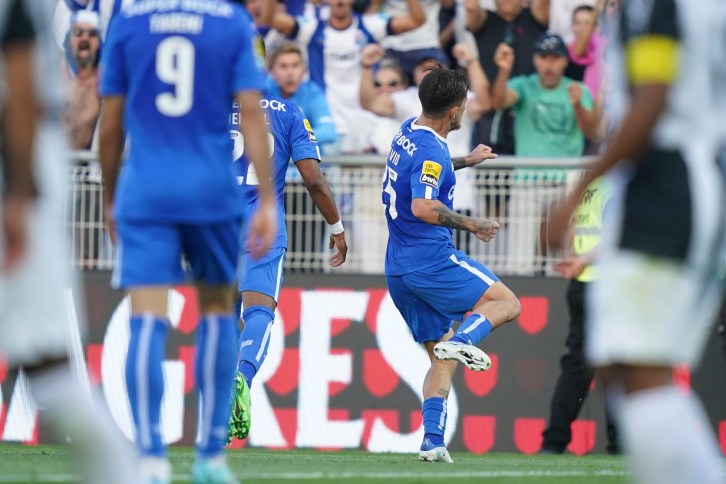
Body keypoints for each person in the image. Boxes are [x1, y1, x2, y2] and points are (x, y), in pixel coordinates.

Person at [547, 0, 726, 482]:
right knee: (622, 368)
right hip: (685, 183)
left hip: (670, 189)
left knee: (637, 372)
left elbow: (653, 98)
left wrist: (579, 190)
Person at [98, 1, 276, 482]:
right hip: (211, 190)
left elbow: (110, 122)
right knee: (217, 314)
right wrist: (266, 200)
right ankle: (211, 458)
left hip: (146, 190)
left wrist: (111, 195)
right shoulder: (231, 22)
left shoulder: (129, 21)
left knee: (147, 319)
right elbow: (252, 112)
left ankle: (151, 459)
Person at [0, 1, 136, 483]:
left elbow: (20, 83)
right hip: (27, 174)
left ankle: (124, 475)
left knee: (47, 366)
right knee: (47, 369)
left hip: (20, 177)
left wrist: (20, 193)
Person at [382, 66, 521, 462]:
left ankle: (432, 441)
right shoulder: (430, 149)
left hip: (399, 270)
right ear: (455, 112)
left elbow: (427, 168)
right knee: (507, 303)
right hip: (431, 261)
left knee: (440, 357)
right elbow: (423, 206)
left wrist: (466, 160)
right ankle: (464, 342)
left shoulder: (410, 131)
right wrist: (473, 224)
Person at [227, 94, 349, 442]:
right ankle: (242, 377)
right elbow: (313, 178)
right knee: (258, 311)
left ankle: (219, 406)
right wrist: (337, 227)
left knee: (221, 316)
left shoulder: (208, 104)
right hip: (262, 226)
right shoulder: (288, 113)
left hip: (216, 227)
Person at [261, 0, 425, 153]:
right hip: (326, 125)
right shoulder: (311, 27)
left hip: (364, 124)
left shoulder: (371, 24)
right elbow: (268, 18)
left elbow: (417, 20)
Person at [540, 177, 619, 455]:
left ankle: (554, 441)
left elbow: (573, 226)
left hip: (581, 284)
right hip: (607, 283)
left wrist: (573, 257)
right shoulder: (617, 185)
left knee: (575, 366)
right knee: (617, 365)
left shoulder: (591, 186)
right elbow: (615, 234)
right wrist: (583, 260)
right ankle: (619, 444)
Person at [266, 42, 338, 151]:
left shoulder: (312, 93)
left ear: (304, 70)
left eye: (295, 66)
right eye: (283, 66)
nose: (290, 73)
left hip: (307, 157)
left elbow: (328, 132)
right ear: (272, 72)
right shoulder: (264, 91)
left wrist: (288, 139)